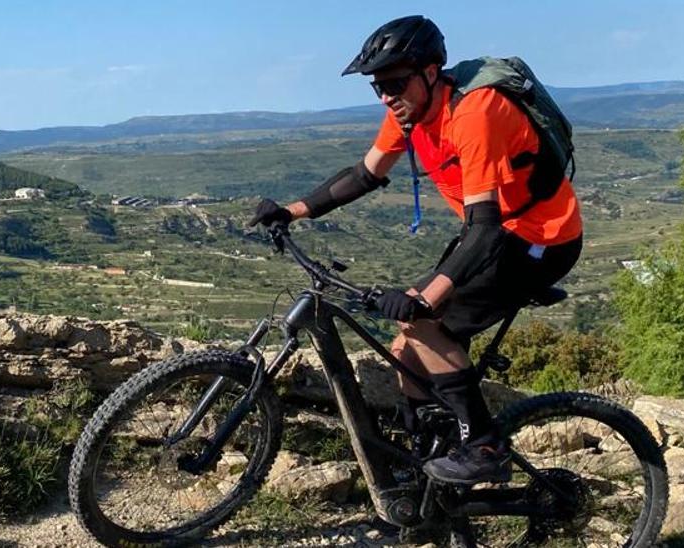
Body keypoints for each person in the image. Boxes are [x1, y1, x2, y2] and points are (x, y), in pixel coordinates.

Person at [248, 15, 582, 484]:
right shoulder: (407, 112)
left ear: (430, 73)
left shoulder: (475, 113)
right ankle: (429, 457)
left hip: (541, 239)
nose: (387, 96)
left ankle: (484, 447)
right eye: (378, 87)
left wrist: (426, 299)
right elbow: (364, 175)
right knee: (406, 345)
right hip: (492, 235)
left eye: (395, 83)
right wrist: (291, 210)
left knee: (420, 322)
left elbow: (486, 230)